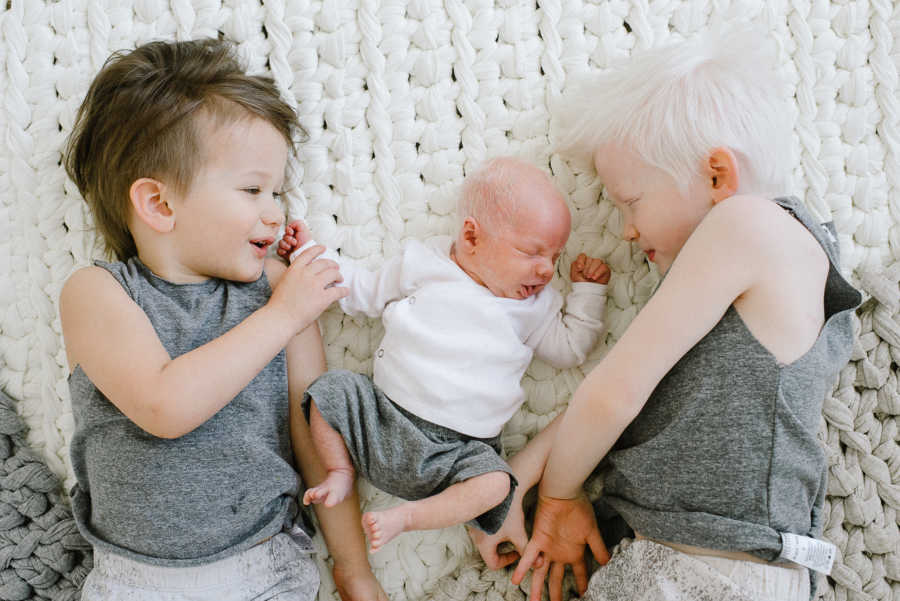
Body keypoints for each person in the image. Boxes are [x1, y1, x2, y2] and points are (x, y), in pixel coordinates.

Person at [470, 31, 862, 601]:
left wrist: (558, 494)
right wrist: (518, 478)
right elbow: (642, 393)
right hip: (684, 561)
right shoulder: (749, 267)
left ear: (716, 176)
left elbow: (614, 393)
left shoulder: (746, 226)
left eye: (631, 201)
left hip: (712, 571)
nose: (626, 230)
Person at [59, 39, 387, 601]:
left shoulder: (281, 295)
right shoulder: (97, 294)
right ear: (160, 205)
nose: (275, 211)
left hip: (267, 566)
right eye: (252, 189)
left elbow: (316, 440)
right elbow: (165, 406)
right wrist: (283, 316)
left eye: (278, 192)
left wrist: (354, 570)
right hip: (137, 582)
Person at [277, 157, 611, 553]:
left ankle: (407, 518)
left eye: (555, 258)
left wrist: (588, 294)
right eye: (532, 253)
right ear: (472, 237)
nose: (545, 271)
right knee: (330, 391)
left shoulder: (533, 306)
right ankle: (339, 470)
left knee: (499, 483)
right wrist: (307, 252)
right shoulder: (424, 264)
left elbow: (569, 348)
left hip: (458, 453)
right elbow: (359, 288)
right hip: (381, 418)